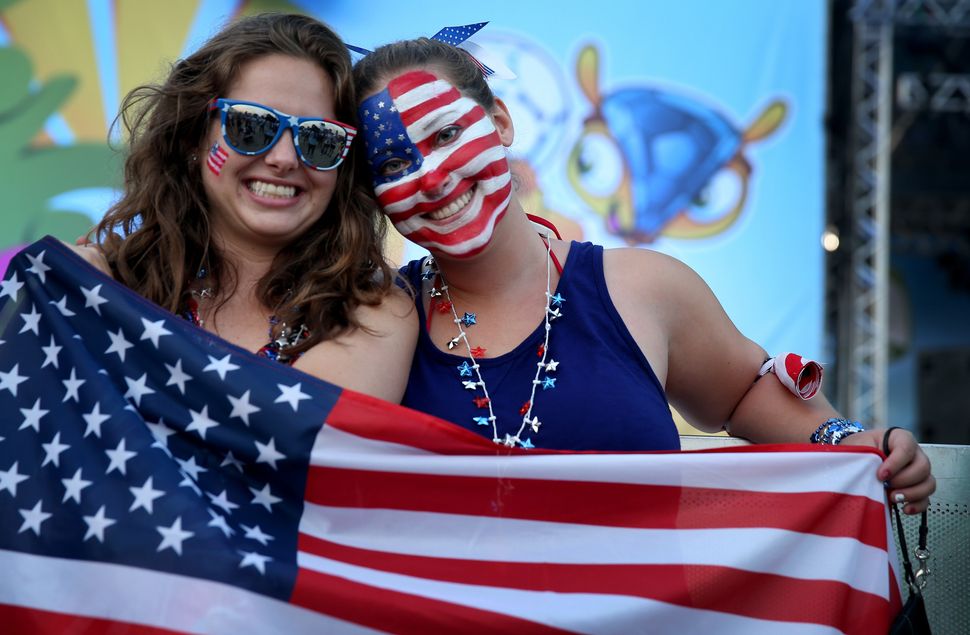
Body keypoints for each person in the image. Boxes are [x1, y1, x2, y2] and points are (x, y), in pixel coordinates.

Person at [351, 37, 935, 512]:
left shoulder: (643, 288)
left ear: (500, 122)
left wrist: (851, 445)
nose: (431, 179)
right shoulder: (374, 323)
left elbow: (742, 392)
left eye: (447, 134)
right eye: (396, 163)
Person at [70, 13, 416, 403]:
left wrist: (108, 313)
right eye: (251, 126)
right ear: (192, 140)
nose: (285, 158)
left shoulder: (373, 314)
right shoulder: (111, 278)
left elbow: (288, 446)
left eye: (320, 139)